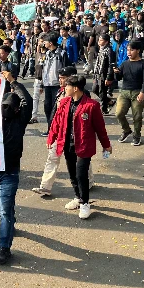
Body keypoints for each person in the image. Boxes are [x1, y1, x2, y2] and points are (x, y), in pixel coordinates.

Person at [47, 75, 112, 219]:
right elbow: (56, 122)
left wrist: (106, 145)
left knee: (81, 174)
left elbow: (100, 128)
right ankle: (77, 196)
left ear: (75, 88)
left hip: (84, 145)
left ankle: (85, 203)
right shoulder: (64, 103)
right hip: (66, 144)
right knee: (72, 173)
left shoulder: (91, 106)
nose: (65, 88)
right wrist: (51, 138)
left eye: (67, 86)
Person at [0, 71, 31, 265]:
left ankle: (4, 248)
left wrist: (13, 82)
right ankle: (10, 222)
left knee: (4, 211)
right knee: (0, 207)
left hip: (10, 173)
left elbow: (27, 100)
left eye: (10, 106)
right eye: (3, 106)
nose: (6, 109)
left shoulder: (20, 122)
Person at [32, 66, 95, 196]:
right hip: (59, 133)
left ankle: (87, 182)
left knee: (81, 160)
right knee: (52, 157)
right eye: (60, 78)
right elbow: (55, 115)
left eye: (64, 79)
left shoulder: (83, 96)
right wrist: (51, 132)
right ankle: (45, 186)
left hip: (75, 135)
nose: (61, 81)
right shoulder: (60, 92)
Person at [113, 41, 144, 146]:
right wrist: (116, 73)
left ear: (138, 50)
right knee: (119, 113)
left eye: (132, 50)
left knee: (137, 116)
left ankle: (137, 135)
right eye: (128, 50)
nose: (129, 52)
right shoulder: (124, 64)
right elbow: (119, 77)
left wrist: (143, 92)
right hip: (124, 92)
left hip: (138, 92)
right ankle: (126, 130)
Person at [41, 33, 71, 136]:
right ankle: (50, 129)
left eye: (45, 41)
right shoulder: (47, 53)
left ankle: (58, 129)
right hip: (47, 84)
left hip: (57, 85)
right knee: (47, 107)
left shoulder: (62, 53)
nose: (43, 43)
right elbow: (44, 69)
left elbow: (68, 68)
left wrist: (66, 84)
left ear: (50, 43)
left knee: (57, 108)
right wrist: (42, 84)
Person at [92, 34, 116, 115]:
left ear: (106, 41)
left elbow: (110, 65)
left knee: (102, 91)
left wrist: (109, 77)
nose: (99, 42)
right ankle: (109, 101)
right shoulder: (101, 49)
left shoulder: (109, 50)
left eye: (101, 40)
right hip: (98, 73)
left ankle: (104, 108)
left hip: (104, 74)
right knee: (95, 89)